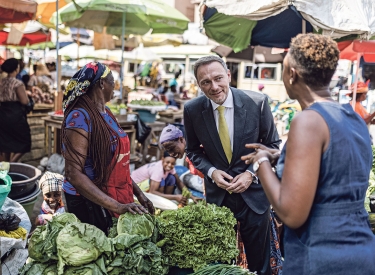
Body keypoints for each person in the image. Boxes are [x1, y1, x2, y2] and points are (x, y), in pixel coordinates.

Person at [242, 34, 375, 274]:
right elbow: (334, 166)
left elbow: (291, 213)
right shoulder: (353, 118)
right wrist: (280, 157)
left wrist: (260, 162)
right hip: (361, 250)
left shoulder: (308, 121)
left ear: (291, 74)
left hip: (322, 256)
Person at [184, 55, 280, 275]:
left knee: (261, 265)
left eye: (218, 78)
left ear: (228, 75)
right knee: (222, 266)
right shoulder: (192, 109)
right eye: (206, 82)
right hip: (219, 198)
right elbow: (192, 150)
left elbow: (272, 144)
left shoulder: (257, 102)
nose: (214, 87)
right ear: (198, 85)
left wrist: (250, 173)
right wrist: (212, 171)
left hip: (255, 197)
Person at [62, 62, 154, 234]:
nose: (116, 87)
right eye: (114, 82)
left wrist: (139, 194)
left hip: (109, 196)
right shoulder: (79, 117)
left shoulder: (107, 113)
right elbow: (73, 174)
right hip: (87, 201)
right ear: (102, 83)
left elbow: (118, 164)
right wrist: (117, 206)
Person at [0, 58, 31, 162]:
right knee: (25, 142)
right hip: (15, 114)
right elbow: (24, 101)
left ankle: (6, 168)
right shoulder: (17, 83)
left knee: (6, 144)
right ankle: (12, 164)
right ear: (16, 68)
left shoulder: (1, 82)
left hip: (2, 113)